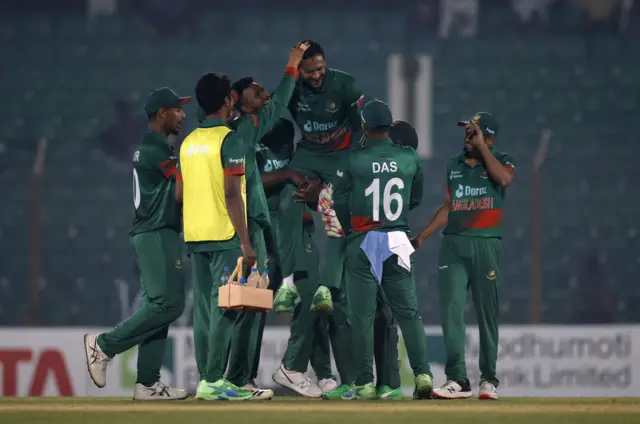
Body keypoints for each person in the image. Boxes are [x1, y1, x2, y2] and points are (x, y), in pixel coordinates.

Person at [83, 87, 190, 400]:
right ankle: (103, 345)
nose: (183, 115)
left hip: (160, 230)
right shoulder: (153, 146)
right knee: (165, 305)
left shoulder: (155, 144)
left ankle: (147, 382)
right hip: (155, 231)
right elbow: (182, 189)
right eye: (177, 110)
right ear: (160, 114)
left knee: (166, 305)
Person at [273, 39, 362, 399]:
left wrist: (344, 175)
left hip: (340, 158)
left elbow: (361, 131)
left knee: (337, 217)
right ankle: (290, 279)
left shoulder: (346, 85)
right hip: (308, 154)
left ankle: (329, 281)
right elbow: (276, 106)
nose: (315, 76)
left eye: (319, 69)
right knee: (287, 202)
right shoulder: (294, 84)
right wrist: (290, 68)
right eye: (309, 71)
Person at [222, 43, 309, 399]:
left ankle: (239, 378)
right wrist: (290, 66)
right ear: (242, 104)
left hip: (252, 228)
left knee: (253, 303)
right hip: (245, 229)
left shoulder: (248, 128)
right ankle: (234, 378)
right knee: (246, 304)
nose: (262, 93)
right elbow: (281, 98)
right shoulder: (247, 129)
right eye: (255, 92)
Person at [412, 112, 515, 400]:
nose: (467, 136)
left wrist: (483, 149)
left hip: (486, 244)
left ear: (489, 138)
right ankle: (457, 379)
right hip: (454, 246)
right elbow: (449, 207)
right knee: (451, 313)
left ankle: (488, 380)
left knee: (487, 315)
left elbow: (504, 180)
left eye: (474, 132)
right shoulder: (453, 165)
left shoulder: (502, 159)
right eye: (467, 131)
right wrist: (422, 237)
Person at [337, 100, 433, 400]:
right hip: (397, 237)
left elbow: (340, 202)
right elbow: (413, 199)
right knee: (409, 314)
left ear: (364, 127)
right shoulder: (409, 158)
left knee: (362, 317)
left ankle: (364, 383)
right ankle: (423, 375)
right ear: (390, 126)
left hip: (364, 239)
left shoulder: (353, 159)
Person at [178, 72, 255, 401]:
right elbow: (233, 195)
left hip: (195, 234)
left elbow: (179, 195)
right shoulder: (230, 139)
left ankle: (206, 378)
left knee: (204, 310)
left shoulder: (188, 141)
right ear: (228, 101)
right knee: (225, 307)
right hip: (224, 234)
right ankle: (212, 380)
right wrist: (246, 242)